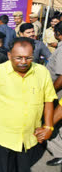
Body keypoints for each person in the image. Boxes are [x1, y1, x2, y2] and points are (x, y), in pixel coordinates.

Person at [0, 37, 57, 172]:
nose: (23, 62)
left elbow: (48, 100)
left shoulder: (42, 72)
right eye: (18, 58)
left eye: (28, 57)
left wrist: (48, 126)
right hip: (3, 137)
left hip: (29, 137)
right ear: (9, 55)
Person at [45, 22, 62, 166]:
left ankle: (58, 152)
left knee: (49, 121)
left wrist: (51, 91)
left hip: (57, 92)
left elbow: (61, 76)